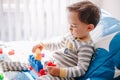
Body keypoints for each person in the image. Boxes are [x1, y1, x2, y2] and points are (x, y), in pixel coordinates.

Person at [32, 1, 100, 80]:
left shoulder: (86, 46)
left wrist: (60, 72)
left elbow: (81, 70)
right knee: (33, 62)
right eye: (69, 24)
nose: (70, 28)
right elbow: (57, 45)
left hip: (62, 75)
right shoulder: (71, 36)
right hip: (54, 64)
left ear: (89, 28)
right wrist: (43, 45)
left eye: (73, 26)